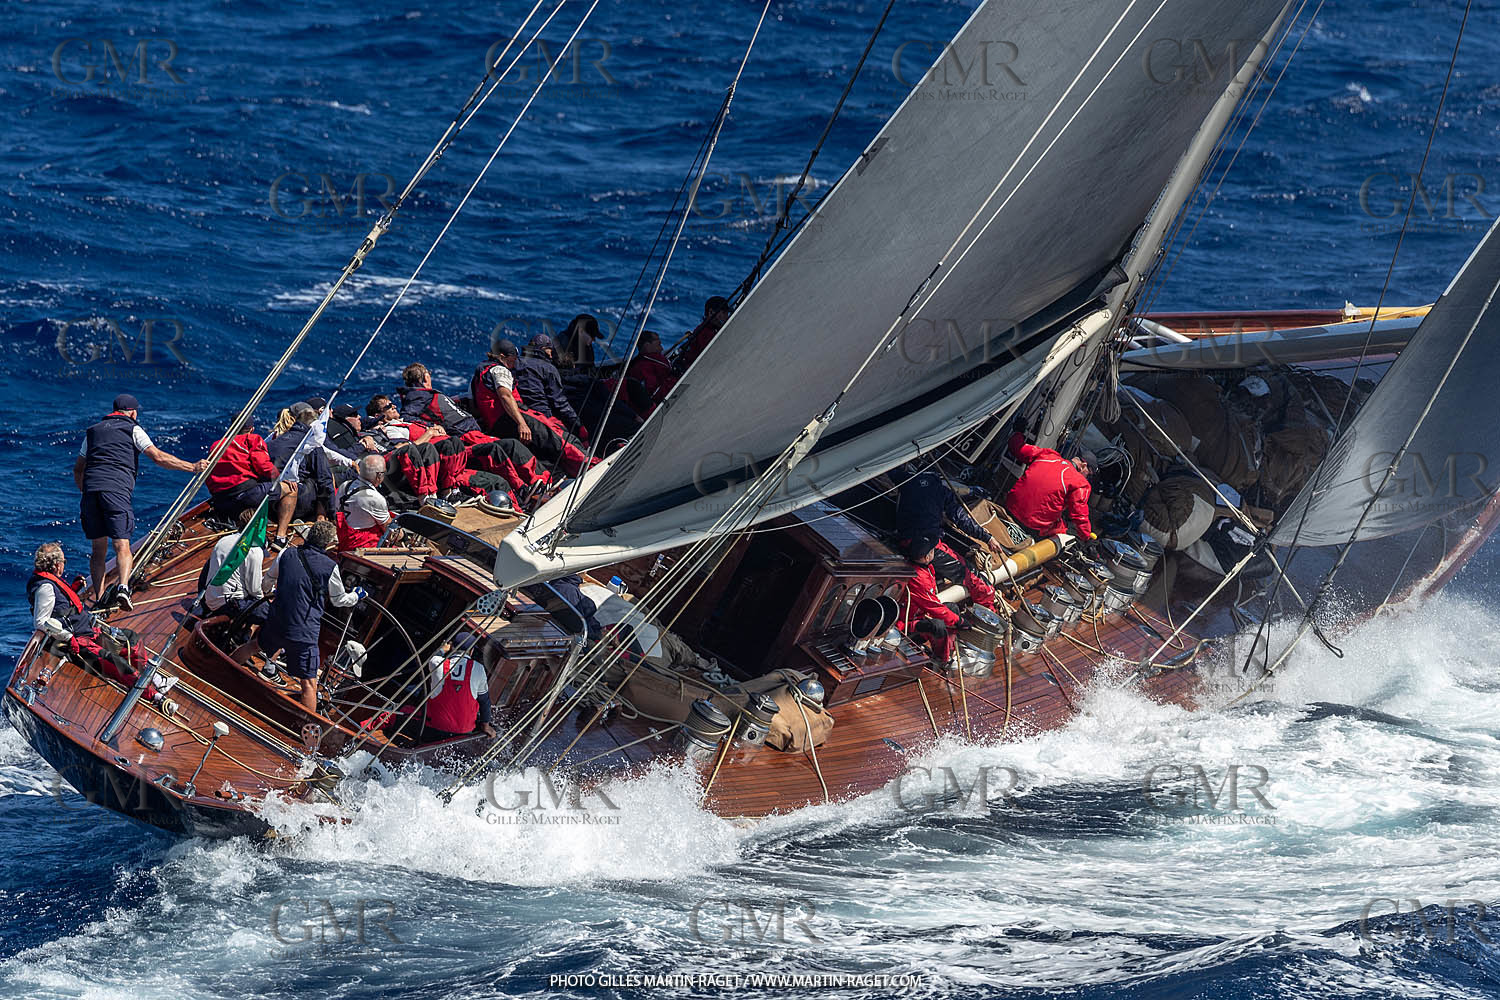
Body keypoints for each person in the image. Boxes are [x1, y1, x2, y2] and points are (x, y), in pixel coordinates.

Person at [74, 393, 208, 607]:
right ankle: (123, 588)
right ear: (133, 413)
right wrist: (192, 467)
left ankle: (99, 599)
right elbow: (158, 457)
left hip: (91, 492)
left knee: (98, 549)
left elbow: (78, 469)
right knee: (122, 544)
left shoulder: (93, 432)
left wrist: (86, 491)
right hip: (115, 491)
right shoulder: (133, 429)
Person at [27, 541, 160, 699]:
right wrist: (68, 637)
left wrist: (73, 589)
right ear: (56, 565)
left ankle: (149, 675)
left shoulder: (53, 581)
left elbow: (60, 607)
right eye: (64, 562)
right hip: (78, 642)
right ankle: (156, 697)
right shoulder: (45, 588)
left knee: (131, 639)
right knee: (118, 665)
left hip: (89, 632)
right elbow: (41, 622)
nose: (64, 565)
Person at [258, 521, 365, 713]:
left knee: (254, 646)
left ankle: (224, 671)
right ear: (328, 544)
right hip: (303, 633)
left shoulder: (286, 553)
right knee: (309, 684)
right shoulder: (330, 567)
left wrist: (266, 594)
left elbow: (267, 581)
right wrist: (357, 596)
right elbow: (339, 600)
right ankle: (308, 725)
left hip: (276, 620)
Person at [468, 349, 592, 477]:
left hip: (496, 426)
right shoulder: (500, 370)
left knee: (537, 452)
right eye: (513, 358)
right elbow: (505, 396)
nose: (515, 362)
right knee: (559, 438)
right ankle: (589, 464)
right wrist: (521, 423)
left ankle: (555, 479)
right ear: (502, 356)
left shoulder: (477, 376)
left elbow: (474, 408)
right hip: (517, 417)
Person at [894, 465, 999, 612]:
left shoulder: (906, 481)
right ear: (938, 476)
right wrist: (987, 538)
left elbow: (889, 471)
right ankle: (987, 614)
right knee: (980, 584)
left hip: (903, 543)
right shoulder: (940, 490)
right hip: (929, 547)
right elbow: (961, 519)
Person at [206, 419, 297, 542]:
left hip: (221, 500)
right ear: (251, 429)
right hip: (246, 495)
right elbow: (263, 466)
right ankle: (280, 537)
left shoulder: (216, 445)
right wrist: (282, 478)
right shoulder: (252, 439)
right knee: (291, 490)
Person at [1004, 420, 1095, 540]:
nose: (1087, 477)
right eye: (1089, 474)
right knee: (1062, 530)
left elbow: (1017, 448)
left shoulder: (1047, 455)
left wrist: (1018, 433)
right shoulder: (1080, 483)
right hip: (1034, 527)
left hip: (1009, 508)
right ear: (1083, 465)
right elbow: (1080, 515)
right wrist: (1086, 536)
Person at [268, 402, 336, 534]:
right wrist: (332, 514)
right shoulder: (311, 444)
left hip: (272, 501)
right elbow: (325, 481)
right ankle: (320, 518)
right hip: (299, 503)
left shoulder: (272, 443)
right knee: (323, 477)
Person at [202, 507, 274, 629]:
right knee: (274, 615)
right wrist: (266, 599)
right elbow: (255, 591)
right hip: (230, 604)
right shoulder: (254, 550)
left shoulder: (223, 540)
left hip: (210, 599)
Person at [419, 631, 495, 742]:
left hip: (434, 729)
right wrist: (486, 726)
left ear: (452, 647)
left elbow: (433, 657)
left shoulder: (436, 663)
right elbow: (484, 701)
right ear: (471, 651)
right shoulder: (479, 669)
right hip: (462, 734)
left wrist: (442, 649)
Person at [896, 532, 961, 662]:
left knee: (952, 608)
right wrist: (960, 622)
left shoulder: (926, 568)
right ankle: (941, 660)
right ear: (927, 557)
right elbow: (933, 607)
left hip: (921, 616)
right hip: (906, 626)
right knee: (937, 626)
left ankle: (948, 650)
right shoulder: (919, 578)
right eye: (932, 550)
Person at [516, 333, 586, 438]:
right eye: (550, 350)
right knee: (572, 441)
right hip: (541, 419)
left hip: (519, 415)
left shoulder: (515, 362)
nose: (551, 355)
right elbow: (560, 404)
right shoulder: (548, 368)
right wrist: (578, 425)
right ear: (543, 349)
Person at [336, 454, 394, 551]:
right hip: (364, 547)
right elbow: (389, 530)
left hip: (343, 541)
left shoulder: (344, 486)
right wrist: (403, 536)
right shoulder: (375, 498)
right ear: (379, 475)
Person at [624, 331, 678, 418]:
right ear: (647, 346)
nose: (661, 348)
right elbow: (654, 395)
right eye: (658, 345)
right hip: (659, 412)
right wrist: (674, 378)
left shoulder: (655, 360)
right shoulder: (642, 368)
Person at [673, 295, 730, 372]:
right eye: (724, 313)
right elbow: (713, 357)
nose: (727, 316)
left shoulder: (711, 328)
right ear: (711, 312)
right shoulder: (705, 333)